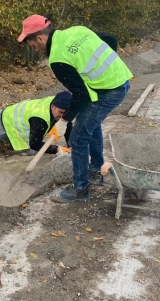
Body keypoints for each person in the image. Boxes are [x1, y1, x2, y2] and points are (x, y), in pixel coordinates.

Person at [18, 15, 133, 202]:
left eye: (33, 45)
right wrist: (108, 69)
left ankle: (80, 189)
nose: (36, 49)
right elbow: (111, 40)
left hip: (108, 91)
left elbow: (81, 95)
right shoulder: (76, 31)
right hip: (119, 81)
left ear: (40, 38)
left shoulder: (57, 59)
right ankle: (96, 169)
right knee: (90, 124)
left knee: (77, 138)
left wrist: (63, 120)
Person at [0, 91, 73, 155]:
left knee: (30, 153)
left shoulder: (59, 102)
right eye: (61, 112)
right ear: (53, 106)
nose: (63, 116)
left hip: (24, 124)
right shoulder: (40, 118)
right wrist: (57, 149)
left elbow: (67, 123)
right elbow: (35, 143)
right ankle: (6, 137)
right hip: (8, 119)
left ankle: (10, 141)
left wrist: (70, 145)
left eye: (66, 113)